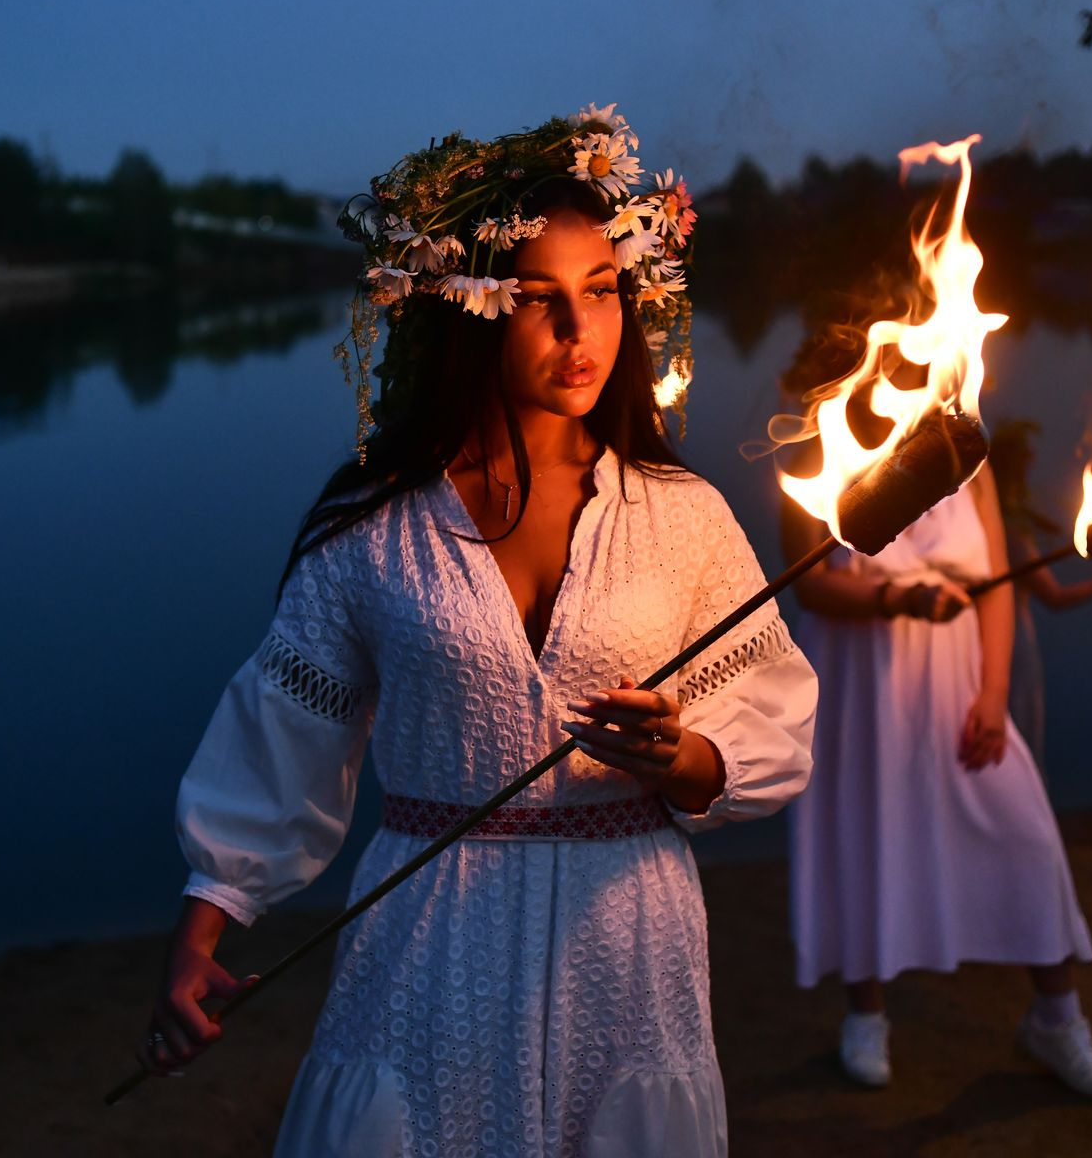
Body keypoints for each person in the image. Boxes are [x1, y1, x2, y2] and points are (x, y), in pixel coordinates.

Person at [143, 106, 818, 1156]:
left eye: (601, 293)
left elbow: (769, 717)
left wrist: (683, 755)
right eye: (539, 300)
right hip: (431, 930)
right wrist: (202, 931)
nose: (579, 331)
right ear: (472, 310)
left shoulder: (683, 516)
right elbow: (282, 739)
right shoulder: (378, 526)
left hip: (628, 931)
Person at [781, 352, 1092, 1100]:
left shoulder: (964, 450)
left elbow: (996, 586)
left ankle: (1056, 1020)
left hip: (961, 680)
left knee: (1026, 836)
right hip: (862, 681)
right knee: (868, 839)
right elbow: (806, 586)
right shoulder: (822, 448)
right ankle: (866, 1016)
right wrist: (892, 603)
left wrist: (994, 693)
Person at [988, 419, 1092, 773]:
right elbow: (1054, 597)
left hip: (992, 641)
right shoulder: (1010, 531)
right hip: (1010, 646)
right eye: (1025, 462)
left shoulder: (1002, 521)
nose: (1031, 468)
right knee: (1016, 734)